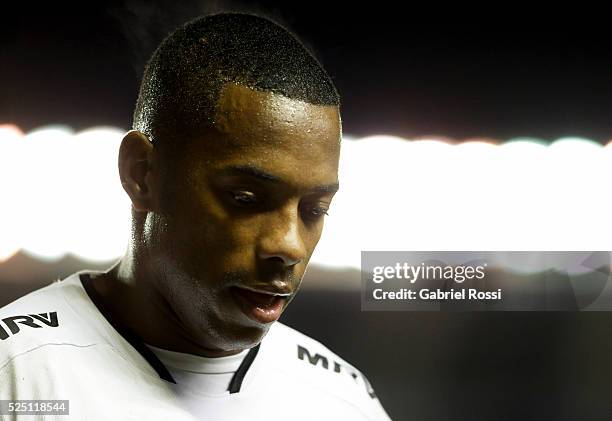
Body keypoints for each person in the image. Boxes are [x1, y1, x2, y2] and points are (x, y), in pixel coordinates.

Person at [0, 13, 391, 420]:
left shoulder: (343, 401)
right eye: (246, 198)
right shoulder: (15, 375)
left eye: (315, 210)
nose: (288, 246)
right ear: (142, 174)